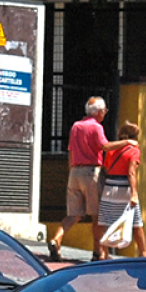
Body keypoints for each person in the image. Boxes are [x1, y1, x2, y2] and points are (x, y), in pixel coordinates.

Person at [47, 97, 109, 262]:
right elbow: (104, 146)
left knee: (73, 214)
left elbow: (71, 151)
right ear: (99, 112)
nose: (105, 113)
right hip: (91, 172)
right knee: (97, 216)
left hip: (75, 172)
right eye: (104, 110)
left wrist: (72, 171)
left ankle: (56, 239)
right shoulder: (97, 127)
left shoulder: (76, 126)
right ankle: (97, 252)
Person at [96, 121, 146, 259]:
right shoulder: (134, 151)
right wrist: (134, 193)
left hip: (109, 187)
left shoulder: (112, 150)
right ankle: (144, 253)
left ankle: (104, 253)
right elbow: (131, 172)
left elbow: (107, 168)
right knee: (136, 223)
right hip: (125, 188)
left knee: (104, 221)